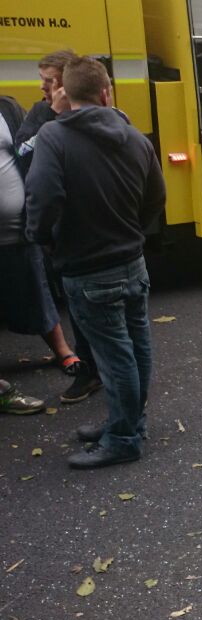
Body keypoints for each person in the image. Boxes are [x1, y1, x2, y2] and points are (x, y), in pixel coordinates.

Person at [26, 56, 166, 469]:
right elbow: (156, 197)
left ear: (65, 95)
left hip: (87, 268)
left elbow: (43, 199)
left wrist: (45, 241)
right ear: (106, 93)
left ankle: (123, 439)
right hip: (132, 261)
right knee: (137, 348)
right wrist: (132, 232)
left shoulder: (54, 137)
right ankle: (128, 422)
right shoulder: (134, 136)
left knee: (114, 357)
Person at [15, 49, 104, 404]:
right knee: (78, 304)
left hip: (97, 227)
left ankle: (115, 379)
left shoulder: (96, 115)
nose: (42, 87)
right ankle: (91, 368)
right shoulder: (40, 113)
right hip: (64, 234)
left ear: (68, 83)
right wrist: (52, 114)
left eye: (49, 81)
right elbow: (23, 157)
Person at [1, 89, 95, 401]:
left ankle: (63, 351)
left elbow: (25, 150)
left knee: (35, 288)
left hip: (18, 227)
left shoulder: (7, 108)